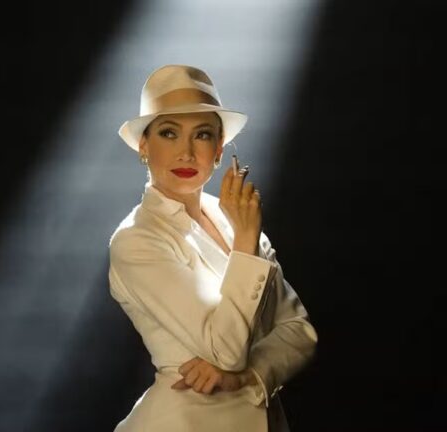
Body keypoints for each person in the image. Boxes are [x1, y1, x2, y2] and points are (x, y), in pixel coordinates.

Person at [108, 65, 318, 432]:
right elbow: (224, 353)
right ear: (144, 145)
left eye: (202, 135)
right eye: (169, 133)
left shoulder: (235, 221)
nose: (186, 152)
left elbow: (299, 332)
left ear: (219, 149)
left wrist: (249, 377)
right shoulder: (136, 239)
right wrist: (246, 244)